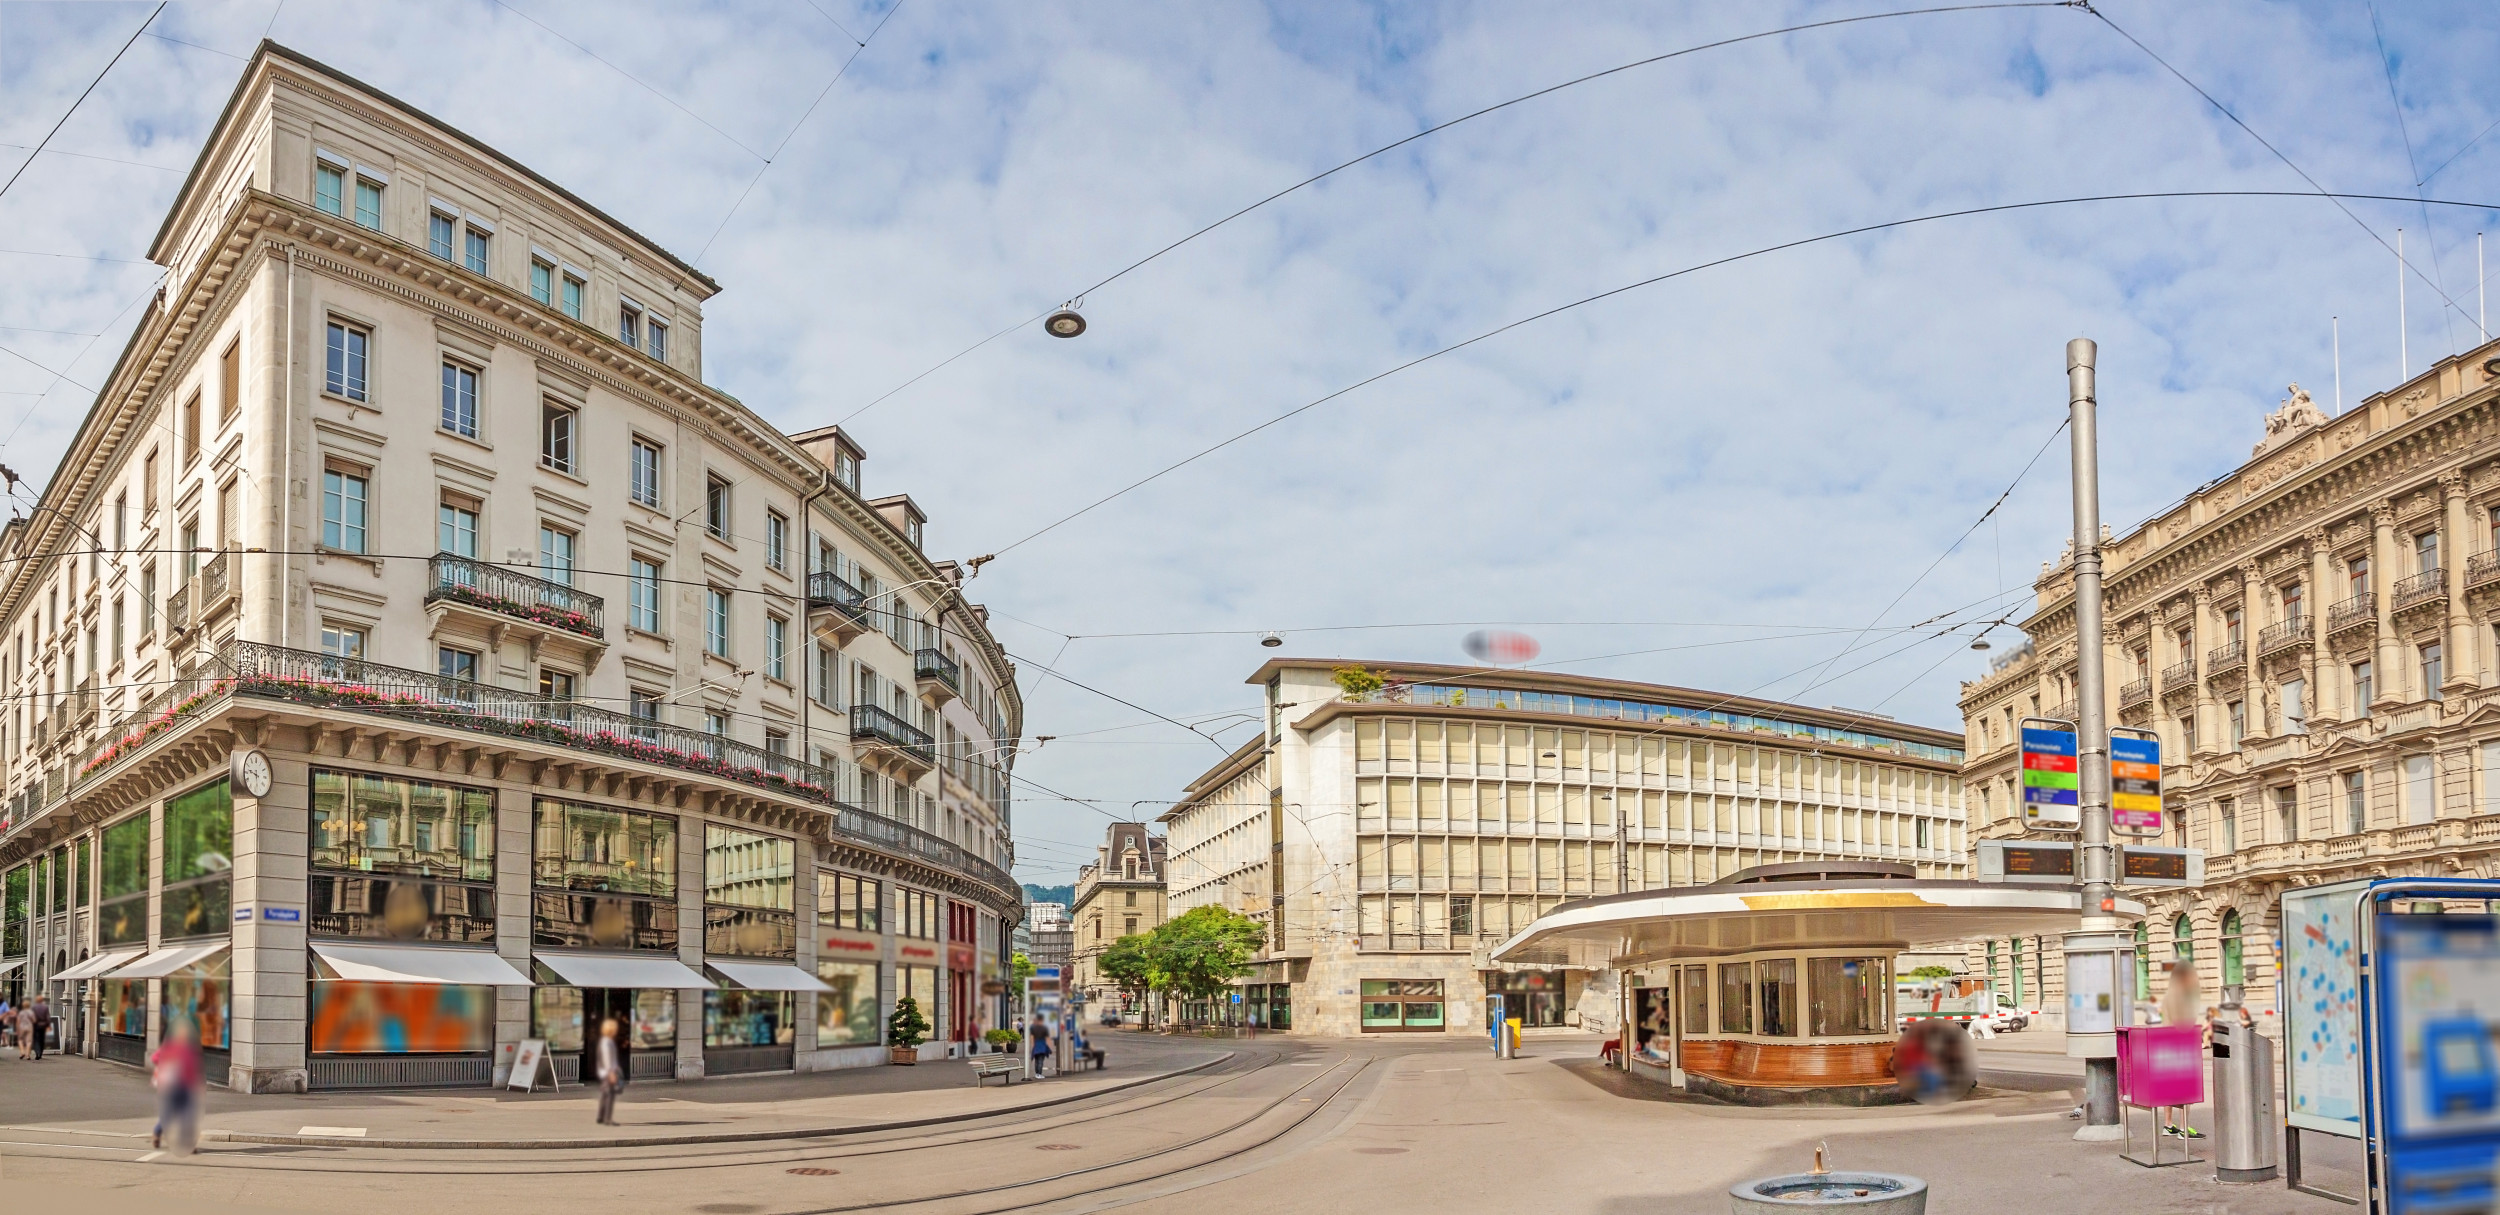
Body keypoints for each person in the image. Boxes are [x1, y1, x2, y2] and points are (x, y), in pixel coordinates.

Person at [2157, 961, 2207, 1140]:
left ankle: (2168, 1125)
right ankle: (2184, 1128)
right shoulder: (2182, 996)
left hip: (2167, 1045)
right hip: (2180, 1045)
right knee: (2187, 1088)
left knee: (2169, 1088)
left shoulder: (2169, 995)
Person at [150, 1021, 204, 1152]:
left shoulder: (190, 1050)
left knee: (187, 1117)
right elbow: (154, 1058)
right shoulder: (169, 1048)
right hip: (171, 1088)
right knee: (168, 1114)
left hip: (186, 1088)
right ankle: (157, 1132)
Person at [593, 1018, 623, 1126]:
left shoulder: (606, 1041)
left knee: (604, 1093)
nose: (616, 1031)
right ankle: (607, 1119)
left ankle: (600, 1116)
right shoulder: (607, 1042)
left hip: (606, 1071)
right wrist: (611, 1073)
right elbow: (607, 1059)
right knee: (610, 1094)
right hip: (608, 1072)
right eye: (615, 1029)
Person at [30, 996, 49, 1061]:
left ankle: (37, 1053)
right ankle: (40, 1053)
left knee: (36, 1040)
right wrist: (48, 1025)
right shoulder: (45, 1007)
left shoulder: (34, 1007)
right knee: (42, 1039)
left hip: (35, 1025)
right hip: (43, 1025)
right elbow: (47, 1017)